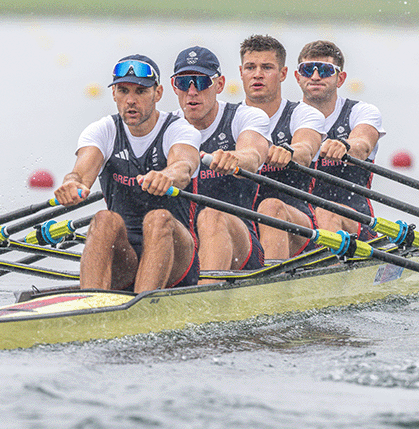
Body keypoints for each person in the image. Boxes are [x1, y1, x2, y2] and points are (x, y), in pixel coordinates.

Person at [54, 54, 202, 292]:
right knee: (104, 219)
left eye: (140, 91)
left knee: (159, 217)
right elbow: (80, 175)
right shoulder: (103, 130)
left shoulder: (178, 129)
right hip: (126, 257)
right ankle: (88, 304)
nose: (130, 100)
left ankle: (139, 308)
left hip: (176, 257)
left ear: (158, 93)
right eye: (123, 91)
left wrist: (167, 176)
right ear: (114, 94)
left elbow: (184, 167)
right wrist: (72, 184)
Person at [171, 46, 271, 282]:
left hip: (241, 246)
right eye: (184, 83)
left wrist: (236, 159)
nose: (192, 92)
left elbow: (253, 155)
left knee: (211, 216)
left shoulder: (245, 117)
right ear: (174, 87)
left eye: (201, 82)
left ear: (220, 84)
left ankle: (204, 298)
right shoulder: (167, 127)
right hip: (186, 245)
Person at [239, 34, 325, 260]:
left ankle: (269, 285)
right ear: (241, 73)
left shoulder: (303, 114)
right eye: (250, 67)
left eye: (267, 67)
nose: (257, 74)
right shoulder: (230, 117)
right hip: (242, 226)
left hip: (296, 226)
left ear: (283, 74)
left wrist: (290, 152)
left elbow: (306, 149)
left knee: (270, 207)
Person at [295, 40, 385, 241]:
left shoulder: (360, 112)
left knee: (326, 213)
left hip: (355, 225)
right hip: (301, 223)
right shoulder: (286, 117)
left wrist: (345, 146)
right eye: (308, 69)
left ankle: (327, 268)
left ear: (340, 78)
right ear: (297, 77)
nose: (315, 76)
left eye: (326, 71)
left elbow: (362, 145)